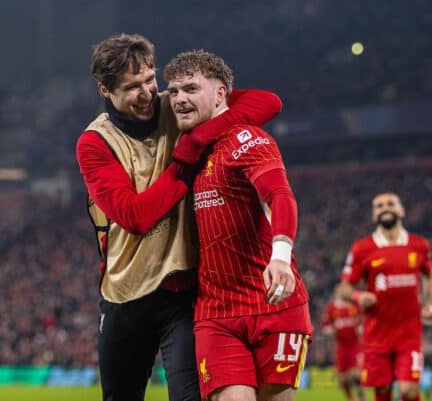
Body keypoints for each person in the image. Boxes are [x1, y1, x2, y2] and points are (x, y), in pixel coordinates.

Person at [76, 33, 283, 401]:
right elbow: (134, 216)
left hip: (184, 293)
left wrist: (200, 134)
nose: (145, 94)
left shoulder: (178, 105)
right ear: (105, 90)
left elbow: (268, 102)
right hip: (126, 294)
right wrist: (185, 158)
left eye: (149, 80)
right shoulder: (94, 143)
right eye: (131, 87)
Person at [165, 50, 313, 401]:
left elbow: (280, 195)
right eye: (173, 92)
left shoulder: (248, 139)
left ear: (220, 95)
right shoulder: (186, 153)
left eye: (190, 88)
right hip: (216, 313)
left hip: (274, 304)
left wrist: (280, 255)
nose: (180, 99)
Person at [337, 192, 432, 401]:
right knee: (382, 393)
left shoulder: (419, 245)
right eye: (379, 205)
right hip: (376, 336)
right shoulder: (361, 249)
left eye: (390, 204)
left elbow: (431, 276)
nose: (385, 208)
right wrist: (359, 296)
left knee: (408, 390)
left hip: (409, 334)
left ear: (401, 210)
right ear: (374, 214)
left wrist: (429, 304)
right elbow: (344, 288)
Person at [321, 291, 365, 401]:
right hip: (341, 347)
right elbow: (326, 325)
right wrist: (329, 330)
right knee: (342, 379)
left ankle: (361, 394)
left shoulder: (355, 307)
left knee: (356, 374)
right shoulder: (332, 308)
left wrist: (361, 327)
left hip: (355, 345)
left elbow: (363, 320)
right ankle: (350, 398)